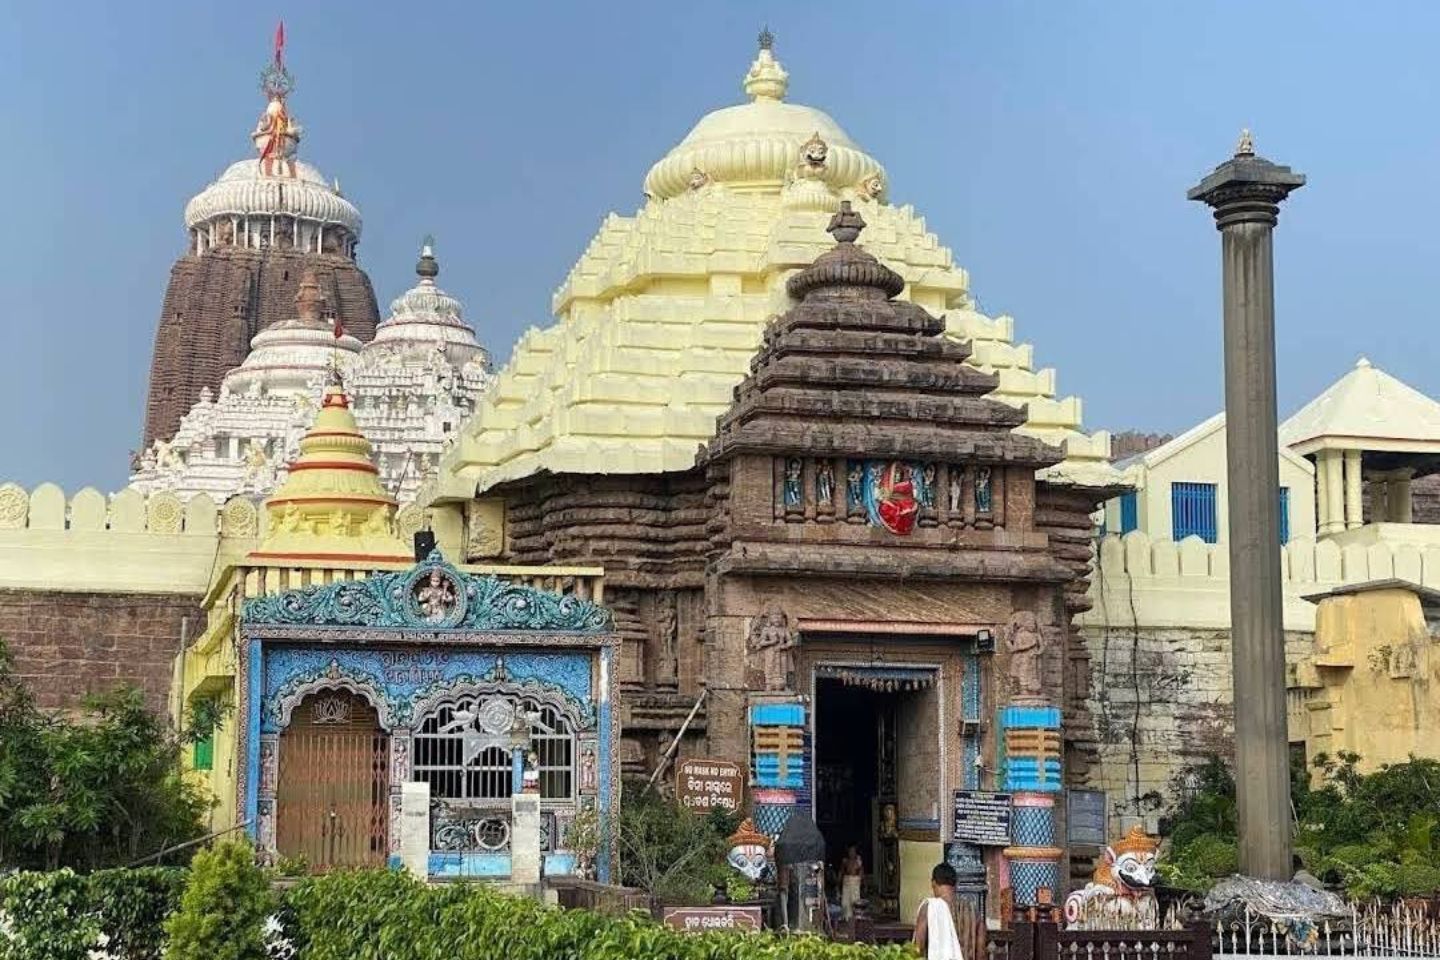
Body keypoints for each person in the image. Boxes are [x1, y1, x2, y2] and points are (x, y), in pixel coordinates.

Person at [913, 862, 964, 960]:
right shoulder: (974, 913)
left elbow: (918, 948)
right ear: (955, 884)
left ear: (933, 883)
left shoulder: (929, 908)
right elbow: (981, 953)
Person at [841, 845, 864, 921]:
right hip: (847, 882)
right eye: (850, 851)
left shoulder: (858, 861)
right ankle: (846, 918)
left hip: (855, 882)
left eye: (853, 851)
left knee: (855, 900)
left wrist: (860, 881)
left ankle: (856, 918)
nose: (851, 853)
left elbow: (861, 872)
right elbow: (842, 872)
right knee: (845, 902)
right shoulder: (845, 861)